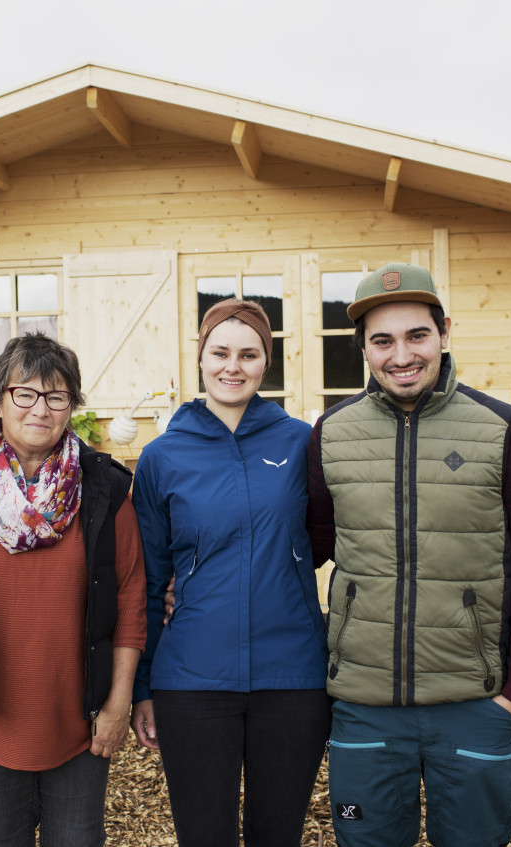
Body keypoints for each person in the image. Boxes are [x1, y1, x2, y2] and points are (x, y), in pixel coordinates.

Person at [308, 263, 511, 846]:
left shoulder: (502, 430)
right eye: (383, 341)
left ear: (444, 332)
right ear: (365, 350)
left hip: (475, 707)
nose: (402, 355)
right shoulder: (332, 434)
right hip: (364, 711)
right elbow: (305, 550)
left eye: (416, 336)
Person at [0, 332, 146, 847]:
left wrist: (118, 703)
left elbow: (130, 598)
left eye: (56, 396)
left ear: (71, 407)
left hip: (79, 724)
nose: (41, 409)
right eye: (26, 394)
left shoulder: (104, 489)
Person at [130, 299, 331, 847]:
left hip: (293, 676)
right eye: (220, 352)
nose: (232, 367)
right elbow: (148, 579)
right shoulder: (161, 457)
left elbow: (323, 538)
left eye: (248, 354)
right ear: (201, 358)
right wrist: (143, 685)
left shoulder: (301, 443)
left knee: (278, 834)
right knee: (204, 836)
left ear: (267, 363)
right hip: (192, 679)